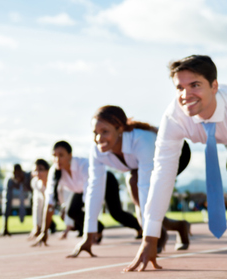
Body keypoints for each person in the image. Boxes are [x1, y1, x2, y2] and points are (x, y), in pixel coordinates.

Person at [125, 55, 227, 272]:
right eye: (179, 87)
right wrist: (149, 237)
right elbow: (162, 173)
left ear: (214, 86)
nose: (185, 95)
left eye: (195, 85)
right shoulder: (174, 118)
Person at [68, 105, 192, 258]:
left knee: (137, 185)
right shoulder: (96, 151)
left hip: (176, 153)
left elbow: (146, 188)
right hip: (141, 164)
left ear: (119, 129)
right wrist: (88, 235)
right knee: (136, 190)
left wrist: (149, 240)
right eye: (95, 133)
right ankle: (179, 226)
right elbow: (95, 189)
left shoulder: (142, 140)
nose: (98, 139)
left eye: (105, 132)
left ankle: (158, 234)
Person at [0, 164, 30, 236]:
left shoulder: (28, 177)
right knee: (7, 204)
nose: (17, 176)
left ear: (22, 172)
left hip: (30, 191)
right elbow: (7, 201)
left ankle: (48, 224)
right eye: (15, 174)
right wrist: (5, 226)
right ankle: (5, 228)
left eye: (19, 174)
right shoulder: (10, 180)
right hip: (15, 190)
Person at [28, 159, 50, 240]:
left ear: (47, 171)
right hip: (48, 207)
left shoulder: (55, 181)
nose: (37, 173)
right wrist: (37, 226)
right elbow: (37, 205)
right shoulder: (35, 183)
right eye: (35, 170)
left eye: (40, 170)